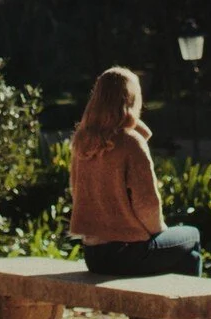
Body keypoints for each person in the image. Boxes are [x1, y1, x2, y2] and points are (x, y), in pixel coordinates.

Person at [68, 66, 203, 278]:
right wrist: (159, 233)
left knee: (187, 257)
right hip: (127, 253)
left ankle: (159, 310)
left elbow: (75, 191)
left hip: (94, 255)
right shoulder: (130, 143)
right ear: (132, 99)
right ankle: (188, 309)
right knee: (191, 236)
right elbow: (147, 204)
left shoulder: (82, 141)